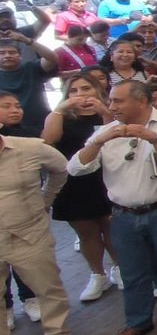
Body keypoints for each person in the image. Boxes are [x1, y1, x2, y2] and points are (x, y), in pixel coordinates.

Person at [66, 80, 157, 335]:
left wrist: (155, 139)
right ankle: (138, 322)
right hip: (124, 215)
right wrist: (99, 142)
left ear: (141, 101)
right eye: (111, 101)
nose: (111, 106)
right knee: (132, 272)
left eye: (117, 101)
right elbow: (76, 168)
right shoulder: (105, 131)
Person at [0, 129, 76, 335]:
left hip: (28, 232)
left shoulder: (30, 147)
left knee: (47, 286)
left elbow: (62, 168)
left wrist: (46, 199)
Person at [43, 76, 119, 302]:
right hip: (73, 181)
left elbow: (116, 136)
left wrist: (104, 111)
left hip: (106, 177)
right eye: (73, 90)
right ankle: (97, 274)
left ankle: (119, 267)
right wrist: (59, 109)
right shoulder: (60, 116)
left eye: (86, 88)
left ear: (97, 90)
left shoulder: (109, 111)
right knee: (87, 232)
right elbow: (49, 140)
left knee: (112, 228)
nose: (80, 94)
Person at [0, 35, 58, 131]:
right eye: (2, 53)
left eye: (12, 52)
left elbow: (52, 58)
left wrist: (27, 41)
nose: (7, 55)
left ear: (20, 57)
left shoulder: (32, 68)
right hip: (4, 129)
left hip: (40, 124)